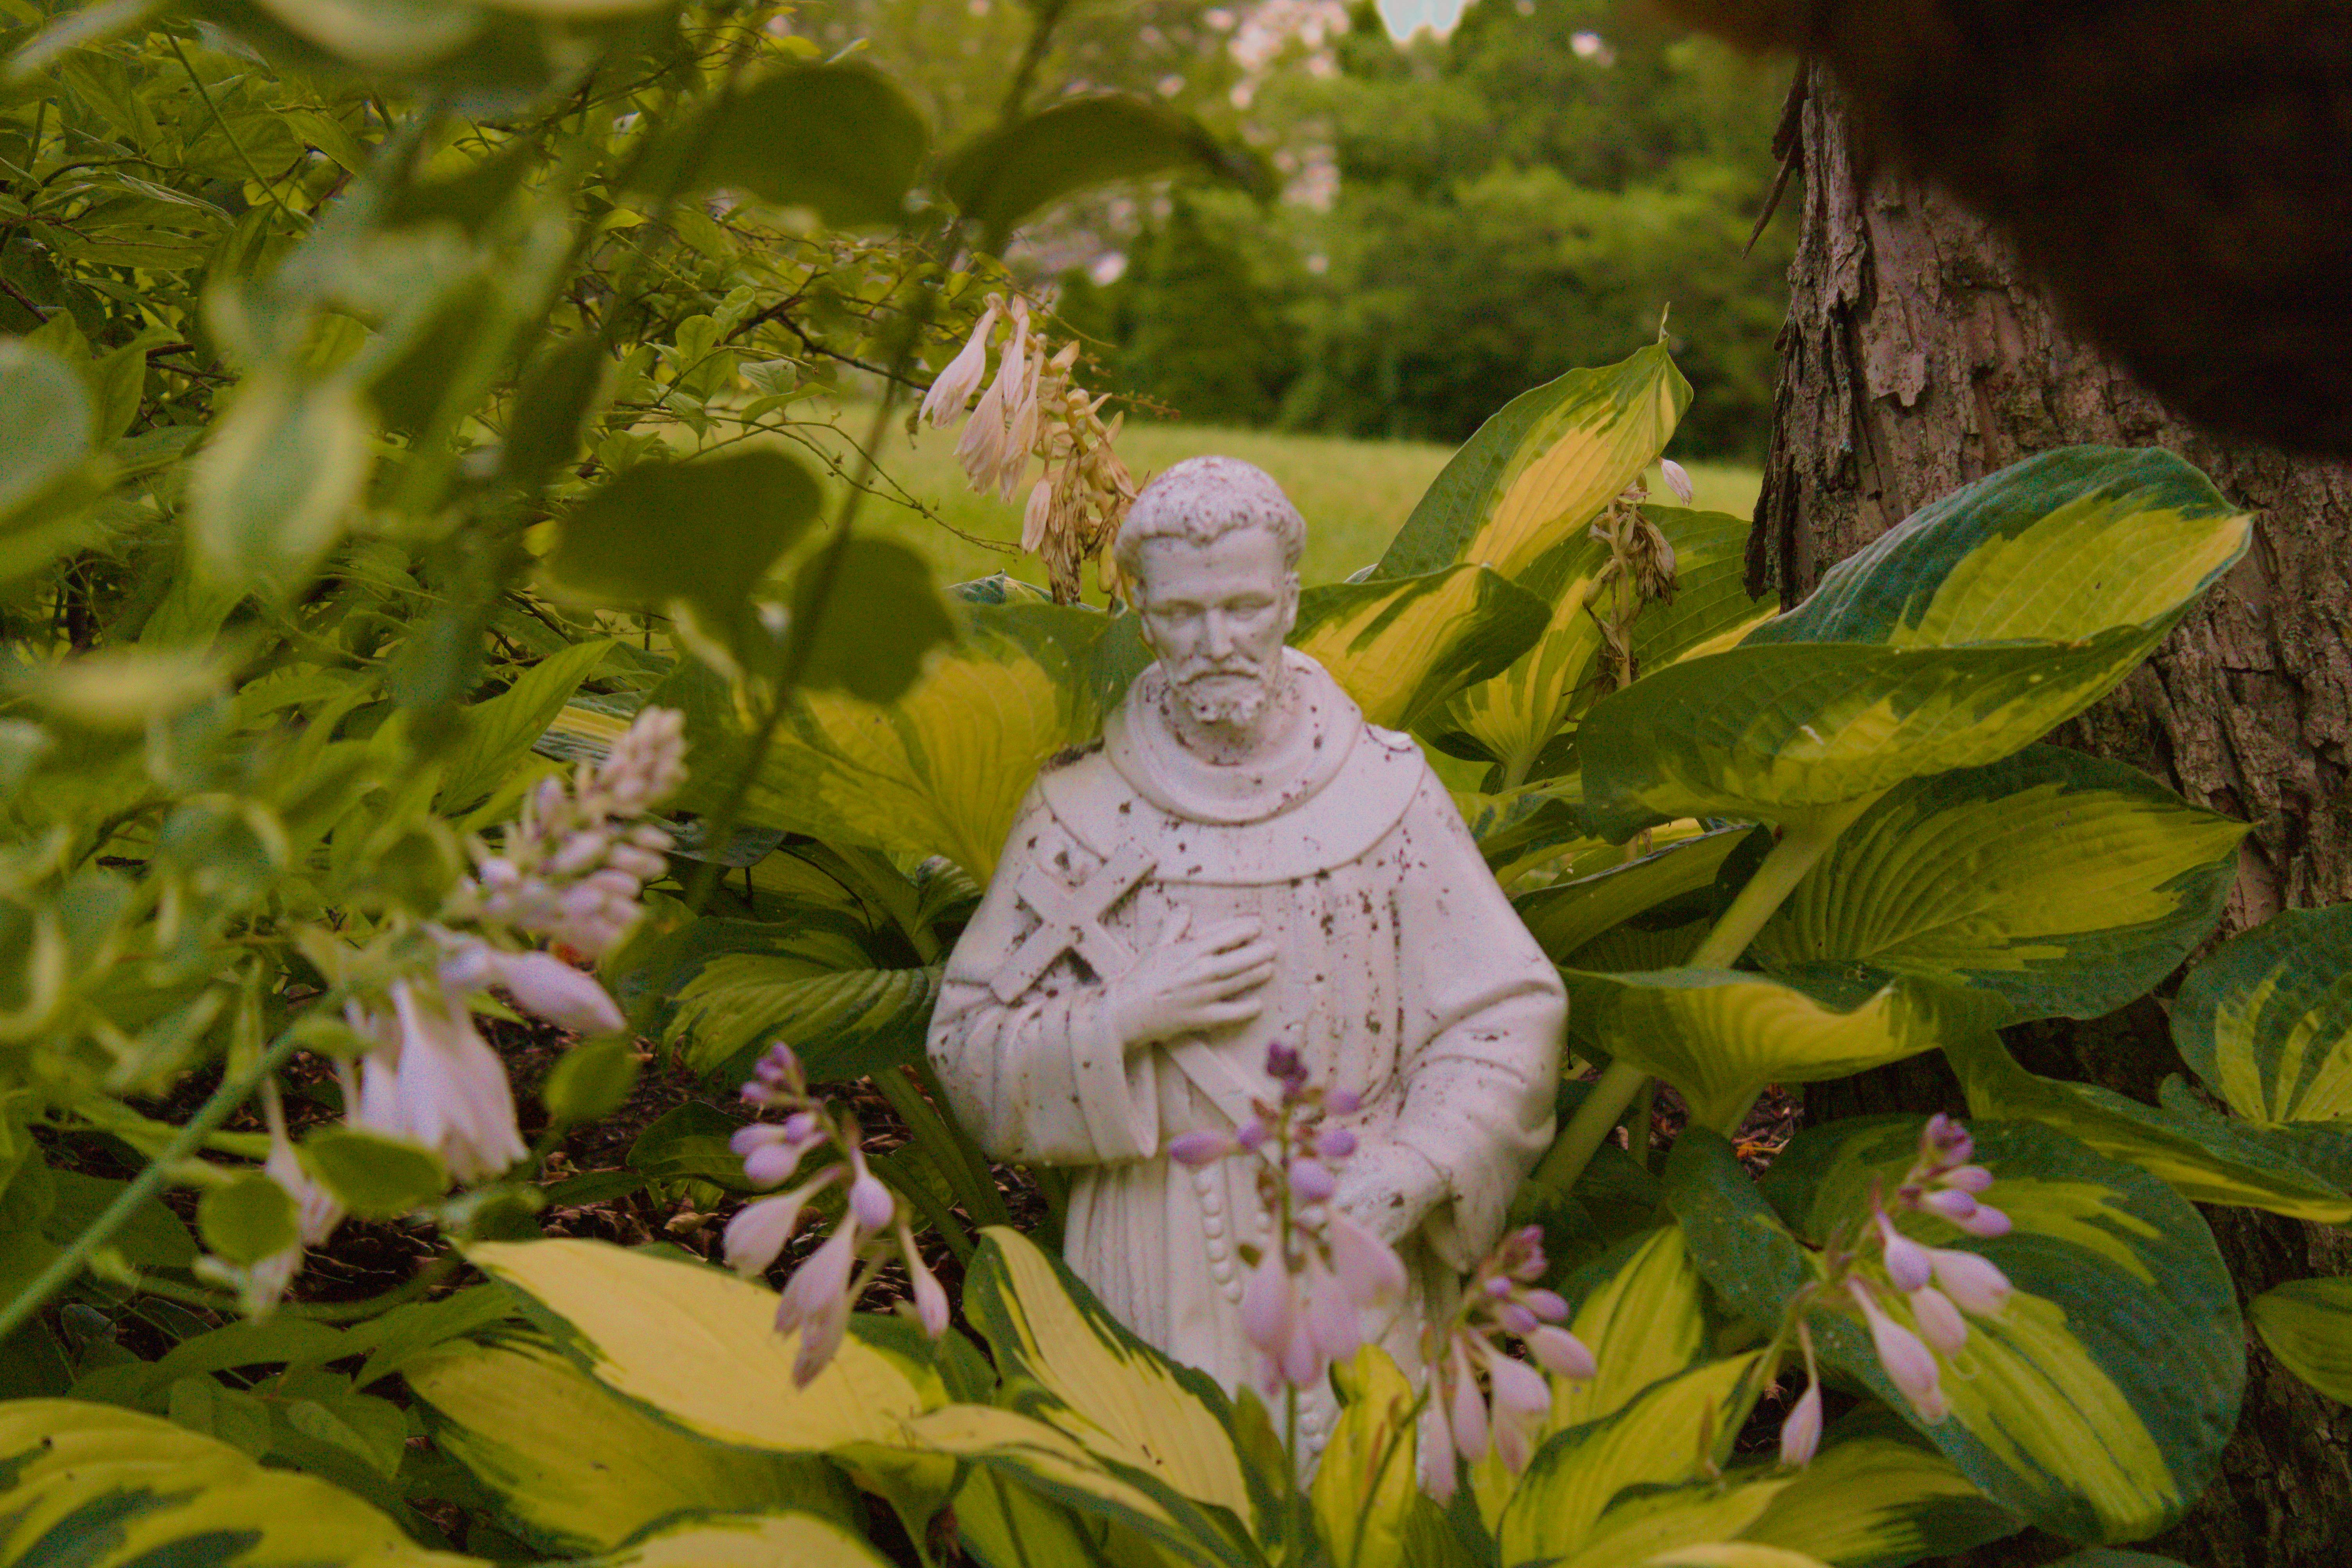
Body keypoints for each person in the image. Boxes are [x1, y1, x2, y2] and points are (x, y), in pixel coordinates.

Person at [927, 456, 1564, 1453]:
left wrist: (1422, 1160)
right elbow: (966, 1048)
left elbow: (1505, 1013)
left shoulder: (1383, 795)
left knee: (1370, 1508)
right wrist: (1121, 1020)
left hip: (1353, 1224)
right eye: (1182, 615)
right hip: (1157, 1245)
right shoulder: (1082, 815)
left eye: (1244, 606)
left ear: (1290, 599)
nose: (1217, 641)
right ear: (1143, 618)